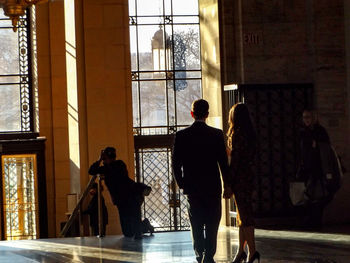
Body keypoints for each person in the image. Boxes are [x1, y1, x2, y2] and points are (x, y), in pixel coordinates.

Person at [172, 99, 231, 263]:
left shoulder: (181, 136)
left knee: (196, 223)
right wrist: (227, 185)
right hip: (212, 186)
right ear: (207, 114)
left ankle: (200, 253)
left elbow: (176, 164)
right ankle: (209, 255)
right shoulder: (216, 134)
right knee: (213, 223)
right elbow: (223, 163)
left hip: (193, 187)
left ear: (192, 114)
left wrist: (182, 184)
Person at [88, 147, 154, 239]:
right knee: (127, 232)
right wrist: (100, 160)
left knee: (135, 226)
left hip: (132, 195)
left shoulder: (118, 164)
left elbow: (96, 170)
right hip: (121, 199)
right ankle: (145, 224)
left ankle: (142, 227)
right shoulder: (108, 168)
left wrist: (100, 160)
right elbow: (91, 171)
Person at [227, 103, 259, 263]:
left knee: (245, 217)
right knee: (242, 215)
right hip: (249, 177)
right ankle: (241, 251)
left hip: (240, 179)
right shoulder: (251, 134)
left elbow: (236, 161)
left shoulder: (237, 134)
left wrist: (229, 182)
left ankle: (252, 251)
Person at [299, 109, 336, 229]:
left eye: (308, 117)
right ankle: (311, 221)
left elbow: (326, 151)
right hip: (309, 169)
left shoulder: (320, 131)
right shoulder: (304, 131)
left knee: (319, 197)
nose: (306, 120)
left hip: (319, 169)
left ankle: (315, 221)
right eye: (304, 117)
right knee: (309, 197)